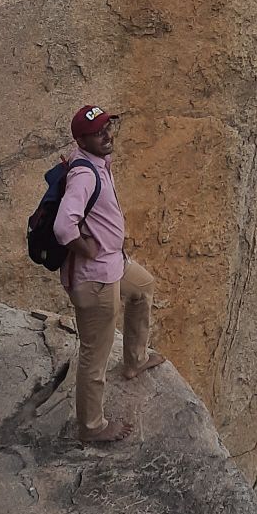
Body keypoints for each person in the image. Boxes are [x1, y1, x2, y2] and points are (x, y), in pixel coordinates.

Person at [54, 103, 161, 446]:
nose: (106, 135)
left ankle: (135, 360)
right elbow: (62, 226)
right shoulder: (84, 174)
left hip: (113, 264)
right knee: (95, 354)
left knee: (143, 286)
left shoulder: (98, 164)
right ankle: (92, 426)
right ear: (82, 140)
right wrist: (87, 249)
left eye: (107, 127)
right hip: (95, 278)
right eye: (98, 132)